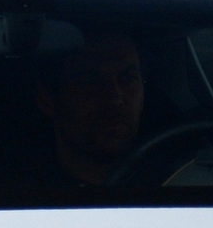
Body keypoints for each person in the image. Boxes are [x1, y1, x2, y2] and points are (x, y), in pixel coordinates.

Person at [32, 30, 146, 186]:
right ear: (46, 100)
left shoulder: (179, 173)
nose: (115, 98)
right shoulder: (19, 196)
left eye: (127, 78)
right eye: (90, 81)